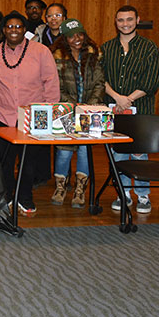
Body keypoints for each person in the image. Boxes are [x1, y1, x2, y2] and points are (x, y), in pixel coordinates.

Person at [0, 11, 59, 215]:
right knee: (4, 162)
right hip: (1, 115)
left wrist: (51, 110)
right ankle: (7, 196)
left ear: (24, 30)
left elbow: (51, 82)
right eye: (9, 27)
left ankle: (25, 197)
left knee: (28, 162)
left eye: (18, 27)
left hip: (33, 117)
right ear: (3, 30)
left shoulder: (41, 52)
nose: (13, 30)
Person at [101, 5, 159, 214]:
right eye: (120, 20)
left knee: (139, 153)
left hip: (141, 109)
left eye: (129, 19)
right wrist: (117, 97)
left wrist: (128, 99)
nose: (125, 24)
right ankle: (123, 193)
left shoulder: (149, 48)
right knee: (118, 153)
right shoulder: (106, 48)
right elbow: (101, 78)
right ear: (115, 22)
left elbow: (152, 81)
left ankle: (143, 195)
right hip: (114, 109)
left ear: (137, 20)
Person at [50, 18, 105, 208]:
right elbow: (55, 88)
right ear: (65, 38)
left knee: (84, 151)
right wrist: (73, 106)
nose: (77, 39)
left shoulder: (92, 55)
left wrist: (89, 106)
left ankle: (80, 189)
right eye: (72, 36)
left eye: (80, 34)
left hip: (89, 112)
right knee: (64, 152)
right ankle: (60, 187)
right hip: (65, 112)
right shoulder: (56, 57)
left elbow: (100, 83)